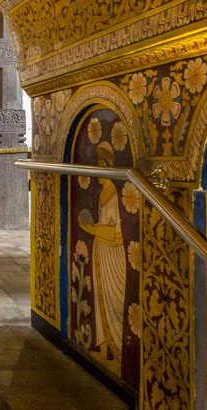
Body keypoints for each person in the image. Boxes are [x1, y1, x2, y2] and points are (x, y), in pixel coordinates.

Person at [77, 141, 125, 373]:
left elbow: (115, 232)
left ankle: (117, 347)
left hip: (113, 251)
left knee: (114, 294)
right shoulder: (104, 192)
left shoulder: (114, 194)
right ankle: (106, 345)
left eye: (101, 165)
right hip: (101, 249)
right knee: (101, 296)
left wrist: (90, 228)